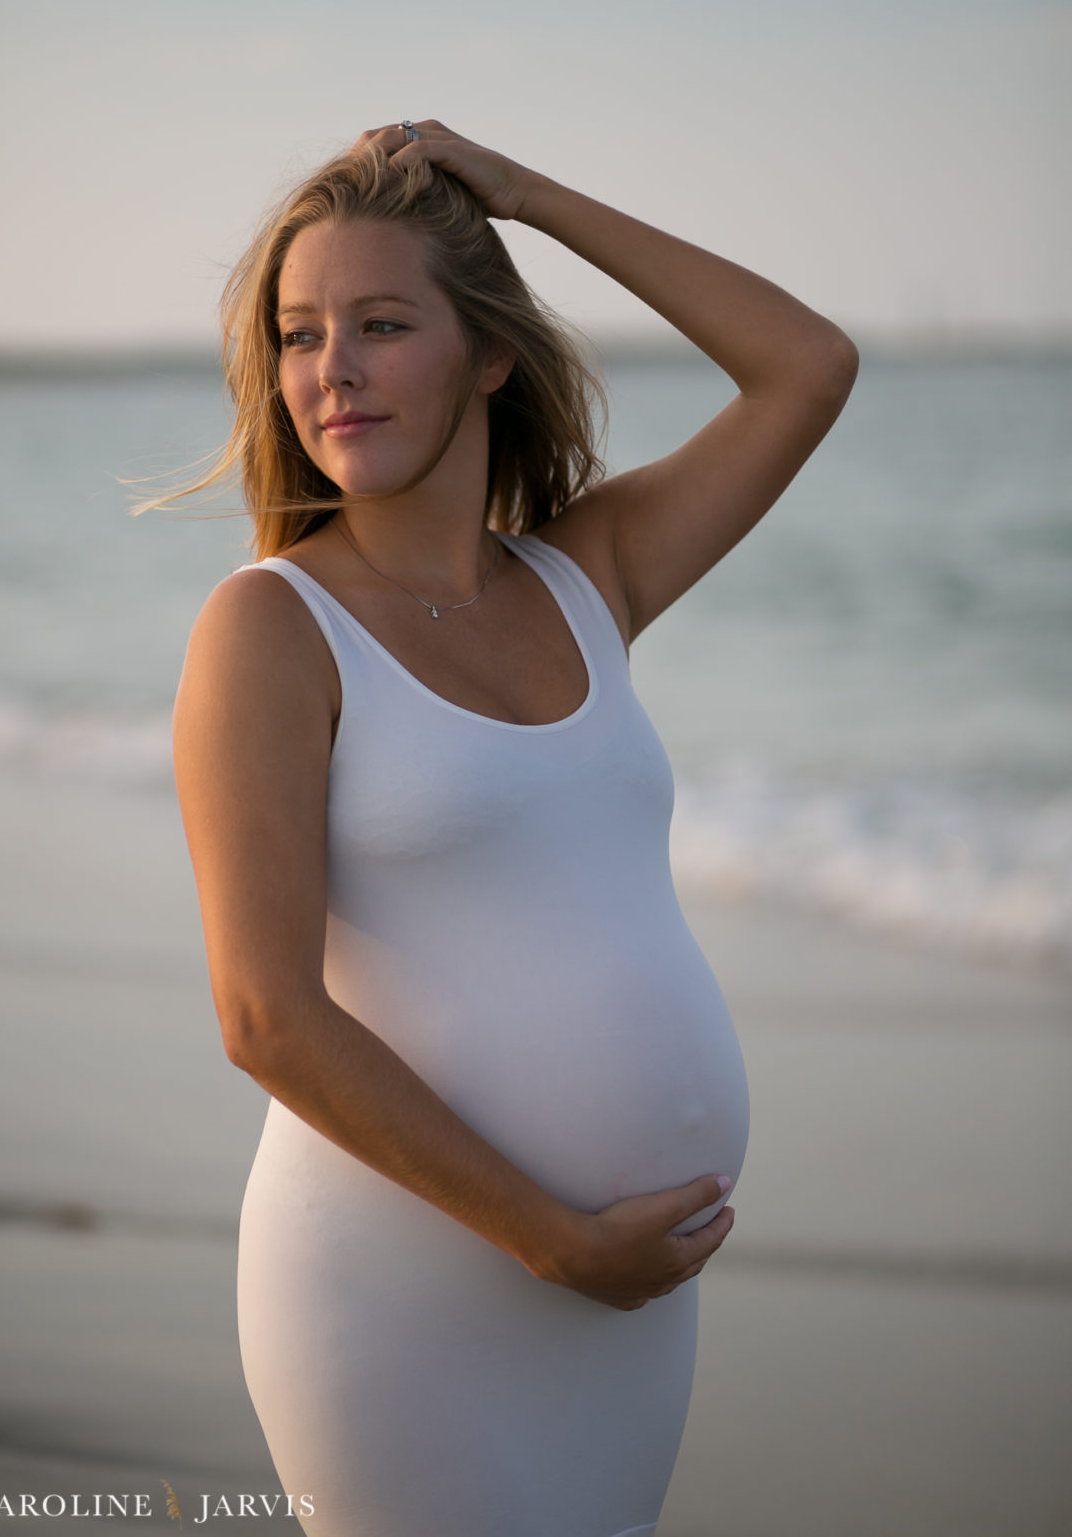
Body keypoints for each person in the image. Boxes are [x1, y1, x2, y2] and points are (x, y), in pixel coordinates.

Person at [168, 120, 859, 1537]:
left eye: (380, 323)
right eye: (298, 335)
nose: (331, 370)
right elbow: (264, 1016)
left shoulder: (585, 577)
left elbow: (806, 366)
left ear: (487, 352)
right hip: (397, 1285)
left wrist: (527, 197)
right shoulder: (270, 629)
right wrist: (549, 1241)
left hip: (625, 1292)